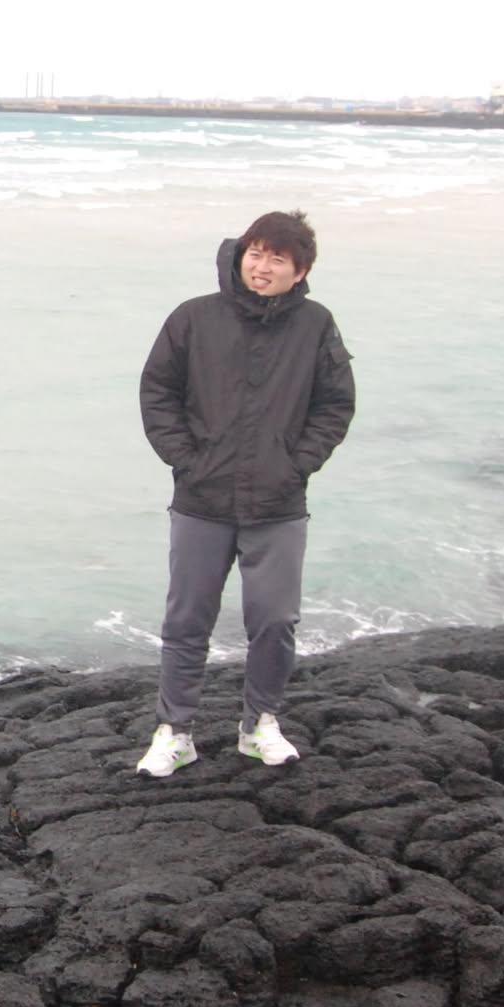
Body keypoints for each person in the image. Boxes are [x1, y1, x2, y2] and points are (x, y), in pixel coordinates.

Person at [134, 209, 355, 778]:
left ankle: (259, 725)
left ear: (299, 271)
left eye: (277, 259)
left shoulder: (316, 325)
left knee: (275, 620)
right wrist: (186, 460)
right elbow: (158, 392)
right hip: (201, 500)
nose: (262, 266)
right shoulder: (193, 318)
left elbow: (335, 405)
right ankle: (175, 731)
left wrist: (298, 465)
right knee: (187, 622)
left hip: (278, 503)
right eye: (255, 253)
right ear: (240, 257)